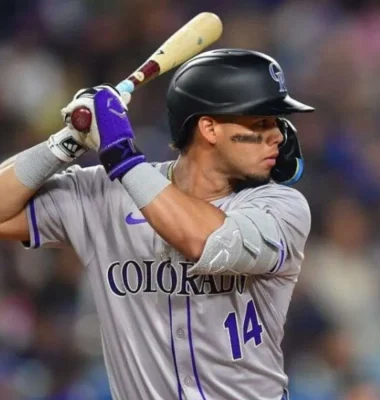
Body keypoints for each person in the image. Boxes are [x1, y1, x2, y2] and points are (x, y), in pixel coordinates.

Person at [0, 49, 314, 400]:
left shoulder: (281, 207)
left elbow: (207, 241)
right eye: (261, 123)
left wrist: (122, 155)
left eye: (276, 123)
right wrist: (65, 142)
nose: (278, 136)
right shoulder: (105, 193)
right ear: (209, 128)